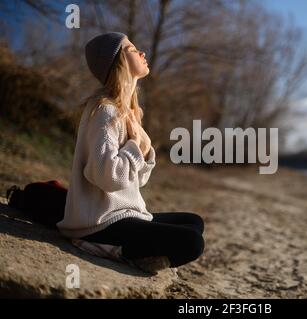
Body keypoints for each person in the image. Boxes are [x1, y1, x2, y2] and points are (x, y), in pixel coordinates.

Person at [56, 32, 205, 273]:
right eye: (133, 49)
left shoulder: (129, 112)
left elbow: (138, 180)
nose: (142, 53)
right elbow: (108, 177)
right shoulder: (104, 110)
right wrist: (137, 148)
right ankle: (115, 250)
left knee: (194, 223)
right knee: (192, 242)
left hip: (126, 212)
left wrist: (143, 152)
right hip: (100, 222)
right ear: (119, 61)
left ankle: (140, 250)